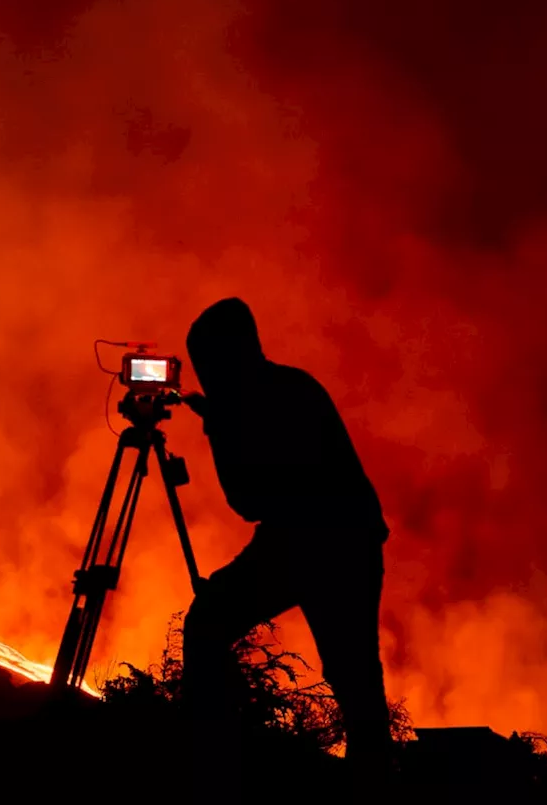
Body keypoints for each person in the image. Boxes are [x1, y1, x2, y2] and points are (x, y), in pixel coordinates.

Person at [179, 297, 394, 775]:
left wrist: (218, 425)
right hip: (337, 541)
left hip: (320, 545)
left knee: (208, 622)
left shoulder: (261, 403)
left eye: (209, 364)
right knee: (356, 678)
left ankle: (207, 762)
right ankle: (374, 782)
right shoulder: (291, 386)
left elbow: (248, 500)